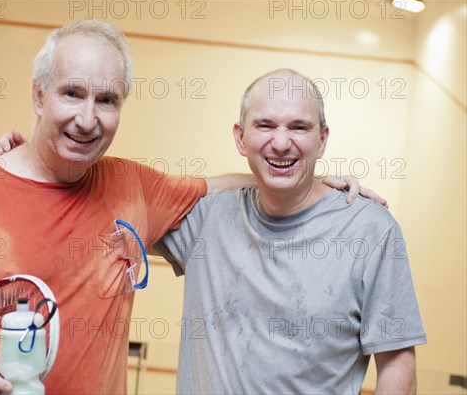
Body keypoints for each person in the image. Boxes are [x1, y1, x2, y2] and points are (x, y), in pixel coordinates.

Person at [0, 18, 379, 395]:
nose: (87, 118)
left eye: (108, 100)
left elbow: (217, 187)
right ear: (37, 95)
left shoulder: (132, 185)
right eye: (71, 94)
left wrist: (307, 183)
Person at [154, 69, 426, 394]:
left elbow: (398, 365)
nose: (281, 143)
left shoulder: (370, 231)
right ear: (240, 137)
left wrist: (298, 179)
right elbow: (116, 206)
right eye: (265, 125)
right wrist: (294, 178)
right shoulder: (205, 217)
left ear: (322, 140)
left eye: (299, 127)